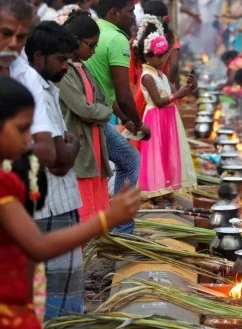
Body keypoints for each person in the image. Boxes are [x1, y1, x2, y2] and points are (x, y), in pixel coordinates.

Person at [0, 76, 141, 329]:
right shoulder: (0, 184)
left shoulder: (9, 176)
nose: (27, 140)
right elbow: (37, 246)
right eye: (21, 129)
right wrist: (108, 219)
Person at [24, 20, 84, 321]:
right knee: (56, 302)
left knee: (64, 291)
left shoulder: (47, 86)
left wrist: (67, 152)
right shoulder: (34, 86)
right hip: (49, 208)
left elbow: (62, 157)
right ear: (38, 57)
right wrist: (70, 149)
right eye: (62, 60)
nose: (66, 67)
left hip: (61, 202)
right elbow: (57, 157)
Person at [85, 0, 150, 234]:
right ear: (114, 13)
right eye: (129, 11)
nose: (133, 17)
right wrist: (141, 125)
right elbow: (123, 95)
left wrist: (124, 119)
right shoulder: (117, 38)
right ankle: (122, 229)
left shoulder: (95, 30)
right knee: (130, 160)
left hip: (95, 113)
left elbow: (102, 87)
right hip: (94, 117)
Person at [60, 10, 112, 224]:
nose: (93, 51)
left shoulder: (84, 69)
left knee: (97, 209)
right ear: (75, 41)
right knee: (84, 212)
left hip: (94, 146)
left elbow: (103, 101)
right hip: (80, 149)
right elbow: (85, 109)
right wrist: (103, 113)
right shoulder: (63, 71)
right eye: (91, 45)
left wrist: (100, 111)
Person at [137, 15, 197, 199]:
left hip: (168, 117)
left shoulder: (161, 75)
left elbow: (175, 92)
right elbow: (159, 100)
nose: (163, 60)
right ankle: (156, 193)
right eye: (159, 56)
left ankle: (167, 189)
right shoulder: (147, 76)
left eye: (164, 56)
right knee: (157, 155)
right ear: (148, 55)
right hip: (155, 117)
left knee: (168, 152)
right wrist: (177, 95)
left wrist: (189, 88)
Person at [0, 0, 57, 169]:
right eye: (5, 33)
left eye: (21, 37)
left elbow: (47, 151)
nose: (13, 43)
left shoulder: (27, 76)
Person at [129, 1, 180, 146]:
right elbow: (175, 65)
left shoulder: (137, 41)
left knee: (142, 134)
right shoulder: (170, 39)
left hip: (141, 91)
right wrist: (167, 84)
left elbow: (132, 72)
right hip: (164, 90)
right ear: (165, 18)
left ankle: (144, 166)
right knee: (164, 136)